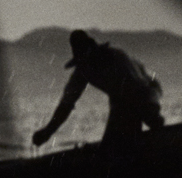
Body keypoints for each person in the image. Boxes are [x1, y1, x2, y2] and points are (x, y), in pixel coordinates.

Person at [32, 29, 164, 157]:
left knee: (123, 139)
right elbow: (66, 104)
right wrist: (48, 131)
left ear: (94, 51)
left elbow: (141, 91)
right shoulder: (83, 69)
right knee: (111, 145)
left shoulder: (117, 58)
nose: (85, 63)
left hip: (146, 91)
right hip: (121, 100)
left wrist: (150, 117)